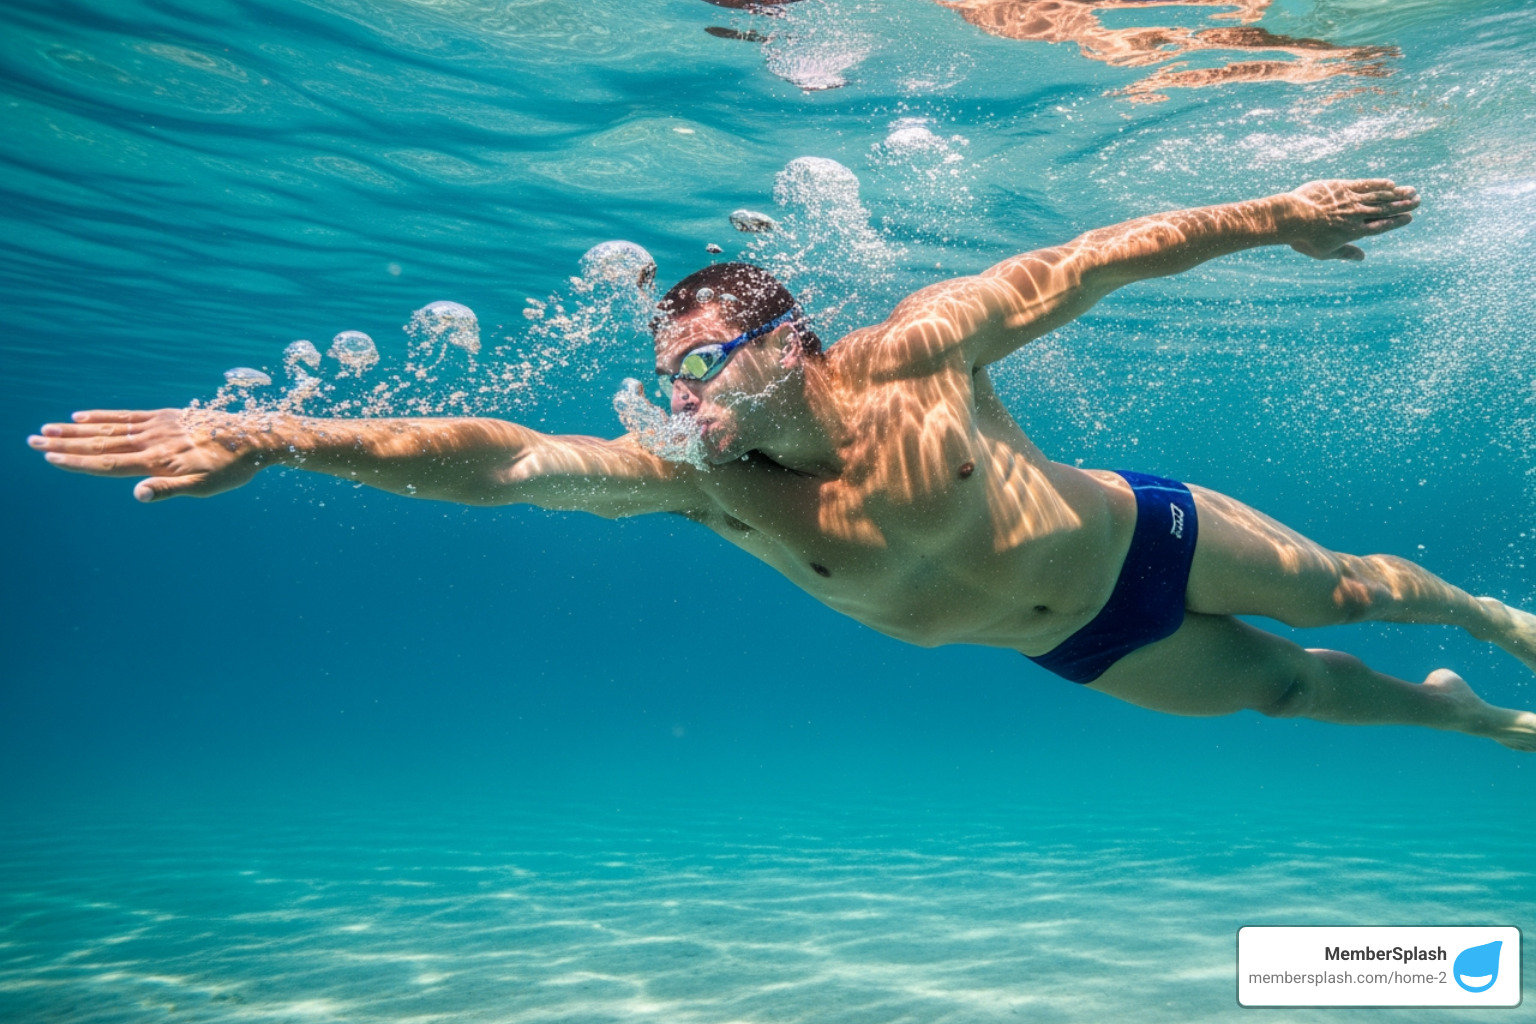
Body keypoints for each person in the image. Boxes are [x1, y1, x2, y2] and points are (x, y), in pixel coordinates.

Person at [29, 178, 1536, 750]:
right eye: (664, 373)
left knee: (1344, 590)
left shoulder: (920, 348)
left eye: (698, 364)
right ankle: (1481, 719)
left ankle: (1484, 620)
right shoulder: (697, 479)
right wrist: (283, 435)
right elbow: (497, 464)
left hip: (1145, 538)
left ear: (785, 339)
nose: (675, 397)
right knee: (1294, 693)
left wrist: (1271, 215)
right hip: (1075, 642)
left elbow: (1087, 264)